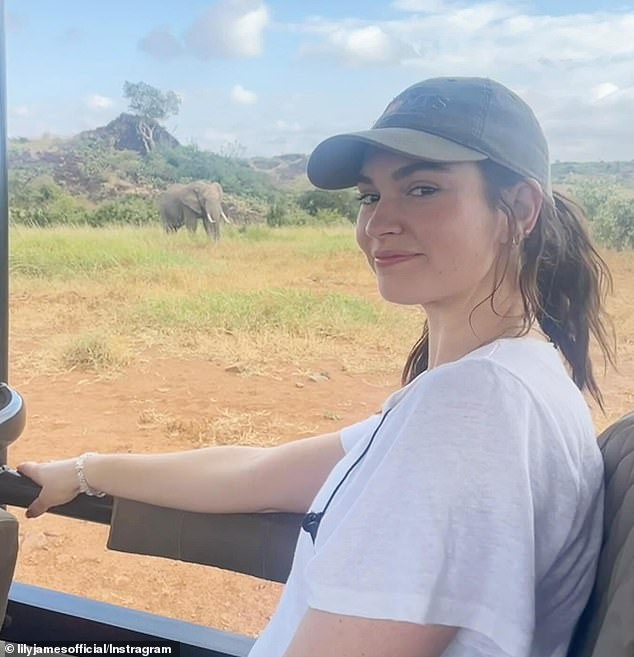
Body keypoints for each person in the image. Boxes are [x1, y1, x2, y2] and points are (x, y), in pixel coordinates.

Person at [18, 77, 616, 657]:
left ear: (519, 207)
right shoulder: (502, 380)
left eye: (424, 189)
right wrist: (85, 470)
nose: (379, 222)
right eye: (370, 195)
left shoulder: (474, 409)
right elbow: (256, 475)